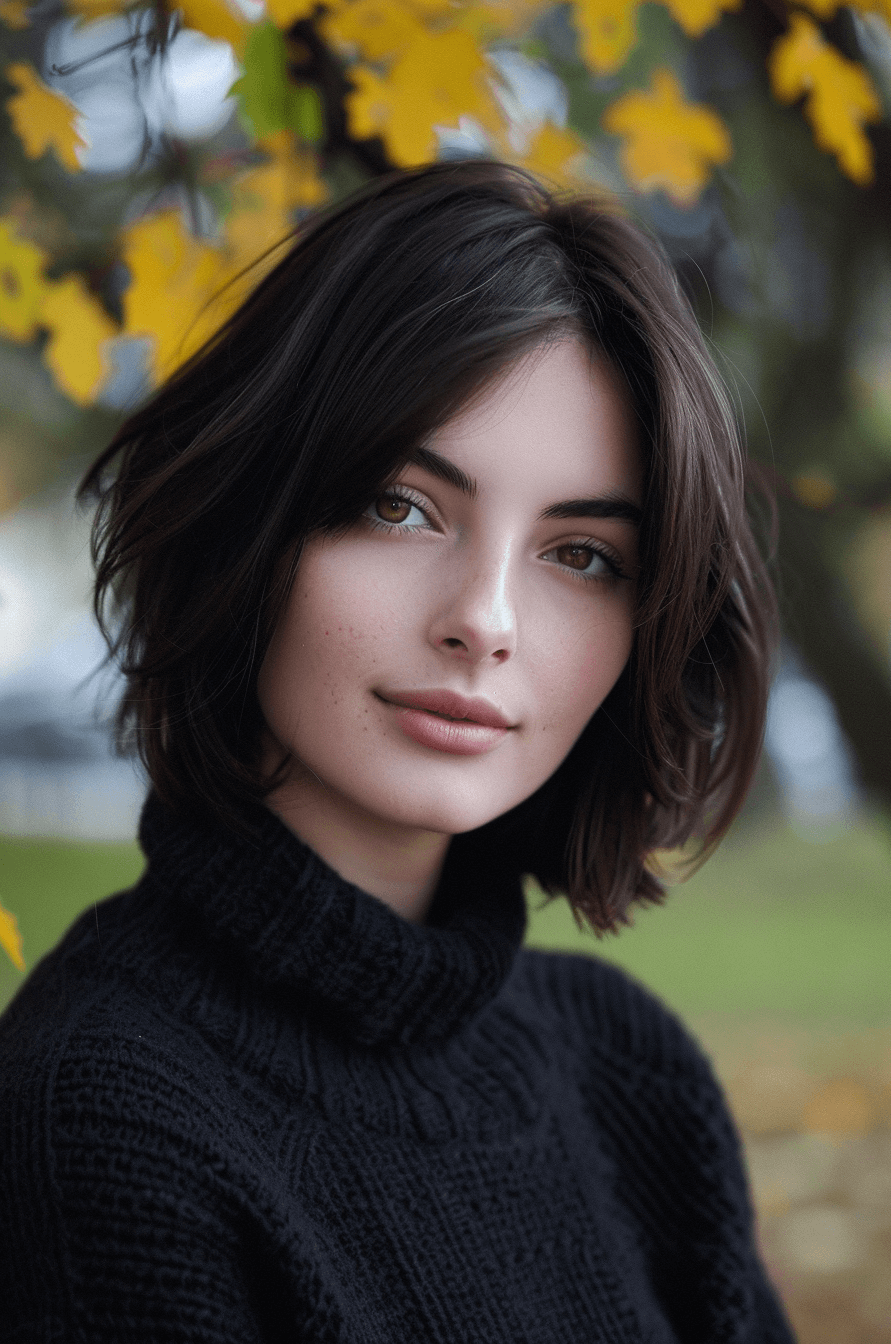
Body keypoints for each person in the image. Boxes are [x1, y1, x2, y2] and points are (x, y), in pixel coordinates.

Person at [0, 161, 792, 1342]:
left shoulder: (629, 1069)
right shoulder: (105, 1113)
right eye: (400, 505)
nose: (487, 619)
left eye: (581, 555)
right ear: (247, 519)